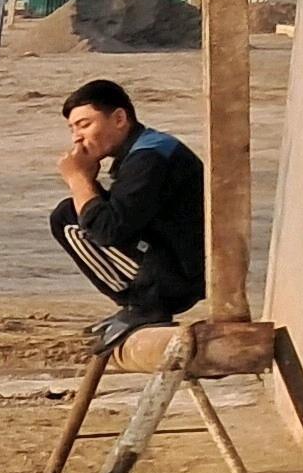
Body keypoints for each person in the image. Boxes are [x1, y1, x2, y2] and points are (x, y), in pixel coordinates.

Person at [50, 78, 208, 354]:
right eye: (72, 129)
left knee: (67, 221)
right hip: (180, 267)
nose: (76, 137)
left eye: (85, 124)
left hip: (178, 278)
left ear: (120, 118)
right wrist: (87, 181)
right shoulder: (148, 149)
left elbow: (108, 230)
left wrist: (77, 179)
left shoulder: (150, 158)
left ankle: (144, 305)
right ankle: (138, 305)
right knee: (72, 211)